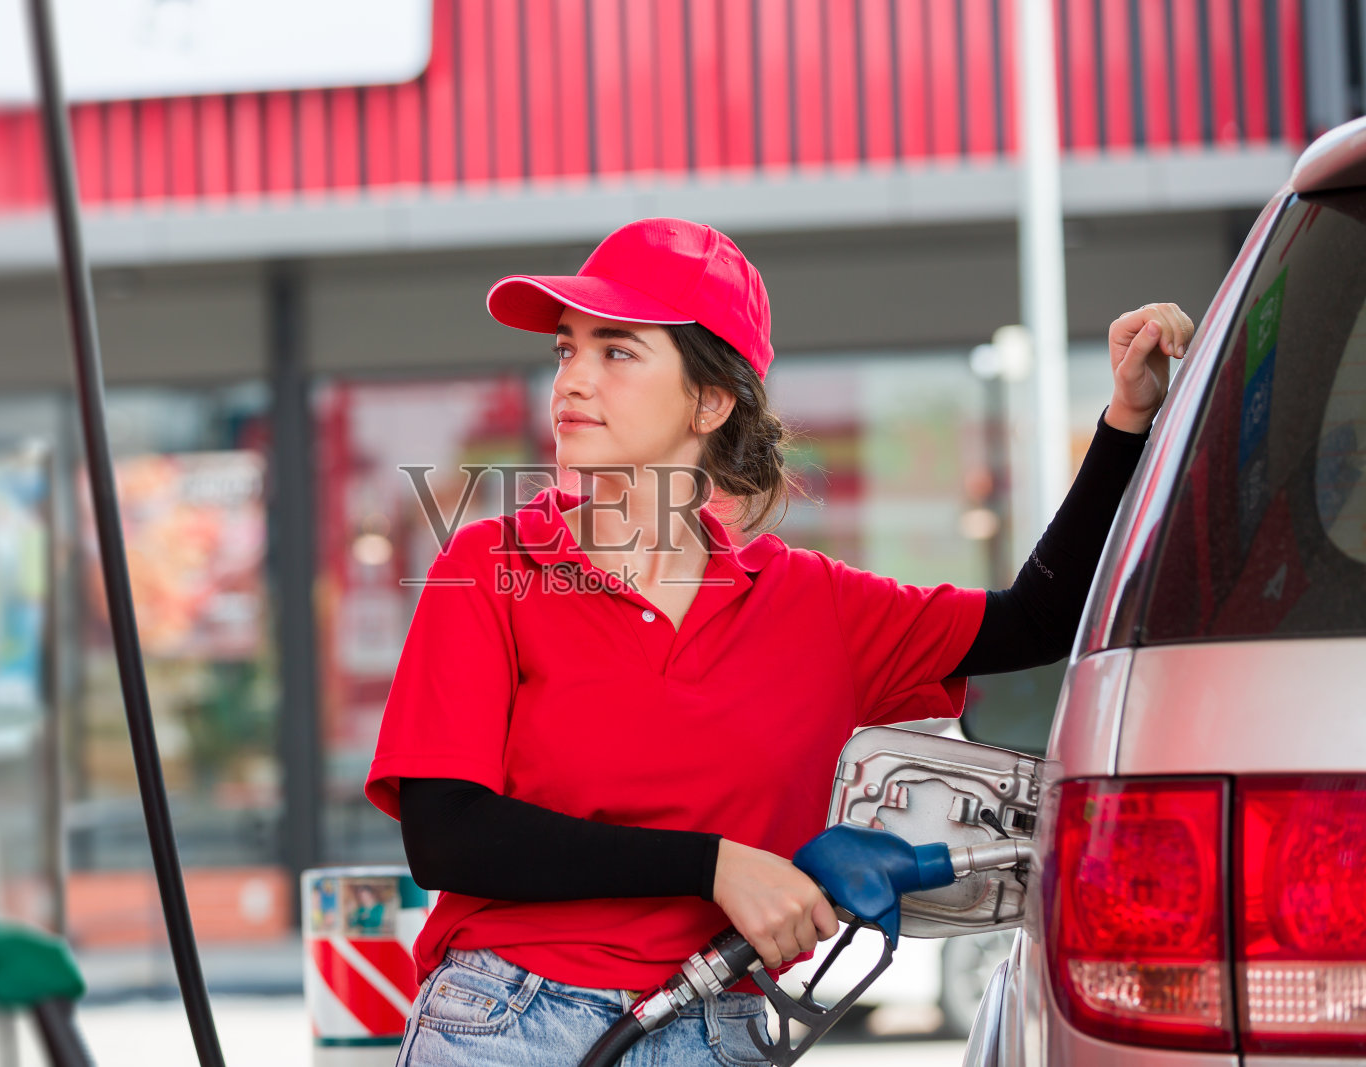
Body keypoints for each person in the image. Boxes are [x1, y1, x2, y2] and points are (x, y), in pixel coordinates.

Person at [364, 217, 1195, 1066]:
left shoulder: (814, 604)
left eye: (616, 350)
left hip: (720, 1028)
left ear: (711, 399)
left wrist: (1126, 418)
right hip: (507, 1018)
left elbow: (1033, 621)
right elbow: (447, 836)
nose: (572, 377)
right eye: (566, 349)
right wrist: (714, 866)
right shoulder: (496, 564)